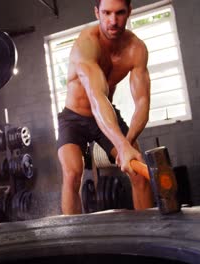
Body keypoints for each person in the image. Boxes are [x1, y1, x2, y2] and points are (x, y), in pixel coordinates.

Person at [57, 0, 153, 214]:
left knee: (138, 171)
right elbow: (96, 95)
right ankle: (73, 240)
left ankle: (149, 235)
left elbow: (143, 102)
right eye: (107, 13)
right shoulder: (86, 44)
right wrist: (120, 144)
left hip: (107, 113)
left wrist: (126, 144)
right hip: (74, 118)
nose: (113, 21)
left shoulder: (136, 49)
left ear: (129, 12)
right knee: (72, 173)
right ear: (96, 13)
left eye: (119, 13)